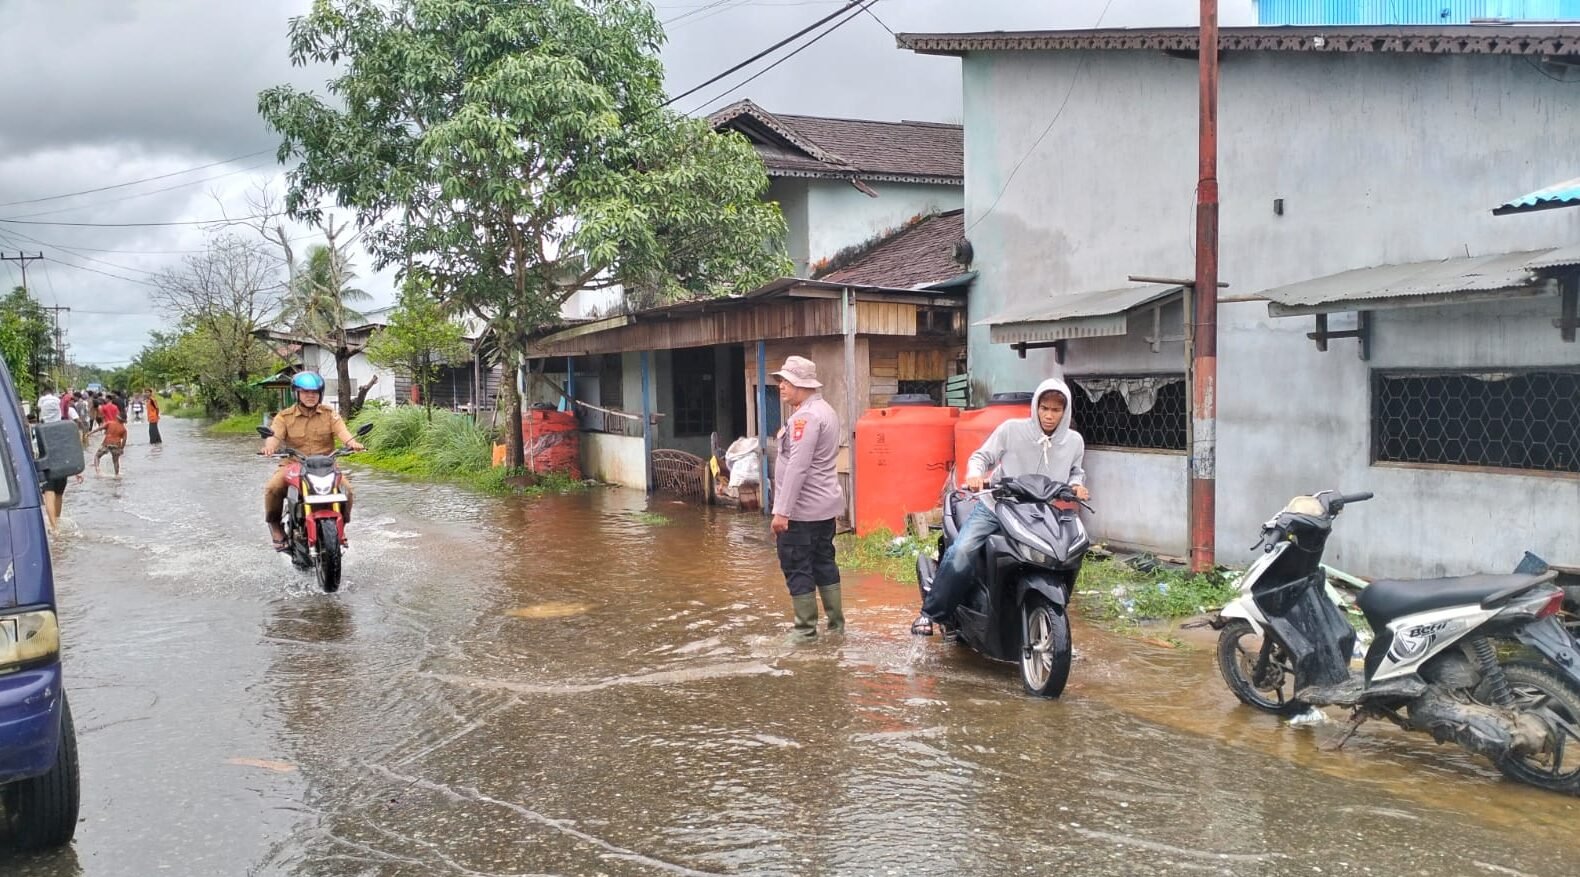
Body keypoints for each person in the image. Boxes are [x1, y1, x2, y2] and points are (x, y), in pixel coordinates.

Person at [911, 377, 1090, 635]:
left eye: (1056, 410)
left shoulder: (1074, 442)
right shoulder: (1012, 430)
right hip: (997, 506)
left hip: (1040, 512)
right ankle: (930, 614)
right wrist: (974, 475)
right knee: (963, 550)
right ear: (1035, 407)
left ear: (1066, 412)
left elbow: (1076, 471)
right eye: (1044, 408)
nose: (1049, 416)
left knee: (1069, 552)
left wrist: (1077, 485)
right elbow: (982, 457)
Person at [769, 355, 845, 642]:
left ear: (801, 384)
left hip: (802, 511)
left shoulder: (805, 418)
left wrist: (782, 511)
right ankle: (836, 627)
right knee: (824, 561)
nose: (781, 387)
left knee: (796, 563)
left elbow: (798, 467)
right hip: (825, 508)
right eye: (780, 381)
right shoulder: (826, 411)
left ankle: (805, 632)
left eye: (786, 382)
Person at [260, 372, 364, 551]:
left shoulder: (330, 414)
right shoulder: (284, 417)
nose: (310, 396)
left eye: (315, 392)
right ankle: (275, 526)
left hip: (326, 465)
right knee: (272, 488)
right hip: (294, 464)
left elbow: (343, 432)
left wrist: (352, 443)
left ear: (320, 394)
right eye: (306, 392)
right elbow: (274, 436)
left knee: (348, 491)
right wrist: (269, 447)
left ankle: (341, 528)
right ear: (297, 393)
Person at [90, 414, 128, 478]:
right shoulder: (124, 429)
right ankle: (117, 475)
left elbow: (100, 428)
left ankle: (97, 468)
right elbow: (124, 440)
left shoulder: (110, 423)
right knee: (116, 461)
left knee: (97, 456)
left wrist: (90, 433)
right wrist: (121, 448)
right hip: (116, 445)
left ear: (117, 418)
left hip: (106, 443)